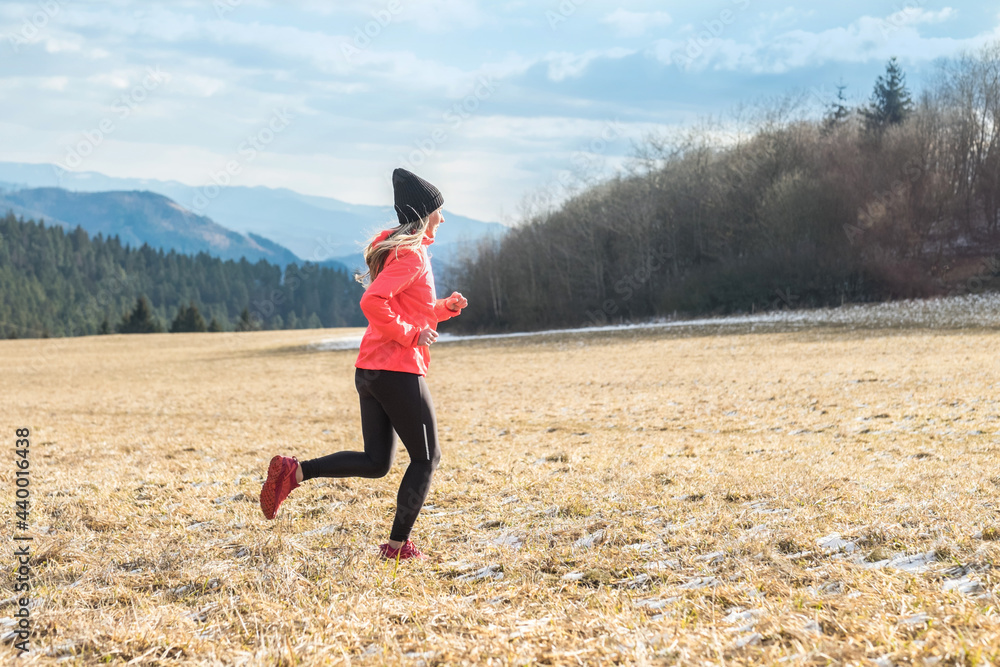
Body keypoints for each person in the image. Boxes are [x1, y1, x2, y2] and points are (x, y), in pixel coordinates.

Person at [259, 167, 468, 561]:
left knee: (376, 462)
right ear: (425, 213)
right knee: (427, 459)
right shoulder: (413, 256)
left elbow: (411, 308)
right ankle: (396, 548)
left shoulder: (398, 251)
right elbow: (373, 301)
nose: (443, 217)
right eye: (440, 210)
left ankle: (294, 472)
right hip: (396, 368)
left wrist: (444, 309)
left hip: (371, 370)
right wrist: (410, 335)